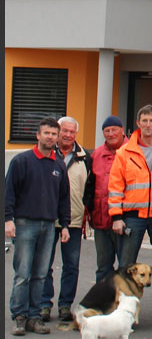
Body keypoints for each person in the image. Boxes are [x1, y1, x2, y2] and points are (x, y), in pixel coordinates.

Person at [108, 104, 152, 328]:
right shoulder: (124, 152)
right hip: (132, 216)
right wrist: (116, 216)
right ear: (137, 124)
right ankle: (125, 312)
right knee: (127, 266)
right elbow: (115, 186)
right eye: (144, 121)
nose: (148, 125)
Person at [6, 117, 71, 336]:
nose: (50, 137)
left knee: (41, 274)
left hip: (49, 226)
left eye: (54, 134)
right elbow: (9, 193)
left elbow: (64, 198)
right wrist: (8, 220)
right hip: (25, 224)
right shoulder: (21, 161)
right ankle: (19, 317)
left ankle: (35, 317)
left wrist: (64, 225)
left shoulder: (58, 165)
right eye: (47, 133)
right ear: (38, 135)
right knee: (23, 273)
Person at [41, 116, 93, 323]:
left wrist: (85, 210)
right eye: (65, 131)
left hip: (73, 220)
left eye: (72, 132)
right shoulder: (46, 154)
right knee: (45, 265)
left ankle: (65, 306)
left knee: (71, 265)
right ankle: (44, 304)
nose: (68, 135)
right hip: (47, 219)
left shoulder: (84, 157)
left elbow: (90, 187)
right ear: (57, 131)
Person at [90, 116, 128, 282]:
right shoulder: (96, 154)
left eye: (114, 129)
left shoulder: (133, 151)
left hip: (125, 219)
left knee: (125, 267)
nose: (111, 133)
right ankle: (102, 303)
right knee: (103, 266)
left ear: (122, 130)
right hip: (101, 219)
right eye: (107, 131)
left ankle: (123, 304)